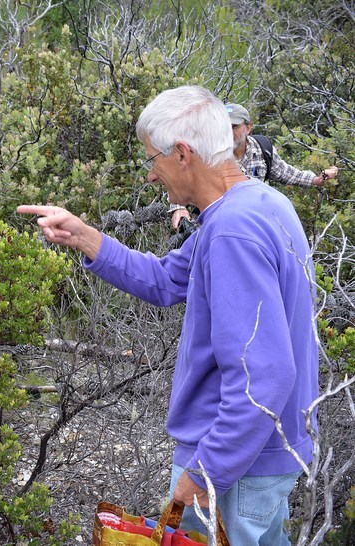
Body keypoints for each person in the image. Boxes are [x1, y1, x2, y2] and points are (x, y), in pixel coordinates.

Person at [18, 85, 318, 545]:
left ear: (182, 154)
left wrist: (204, 472)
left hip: (234, 466)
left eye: (152, 159)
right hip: (257, 456)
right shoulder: (258, 205)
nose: (152, 176)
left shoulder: (231, 232)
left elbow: (266, 376)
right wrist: (84, 237)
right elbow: (165, 281)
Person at [169, 101, 339, 230]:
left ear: (248, 127)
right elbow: (179, 179)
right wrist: (179, 208)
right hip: (213, 225)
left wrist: (316, 179)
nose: (228, 132)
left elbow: (286, 173)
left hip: (252, 225)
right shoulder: (205, 153)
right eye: (223, 127)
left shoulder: (262, 149)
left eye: (234, 126)